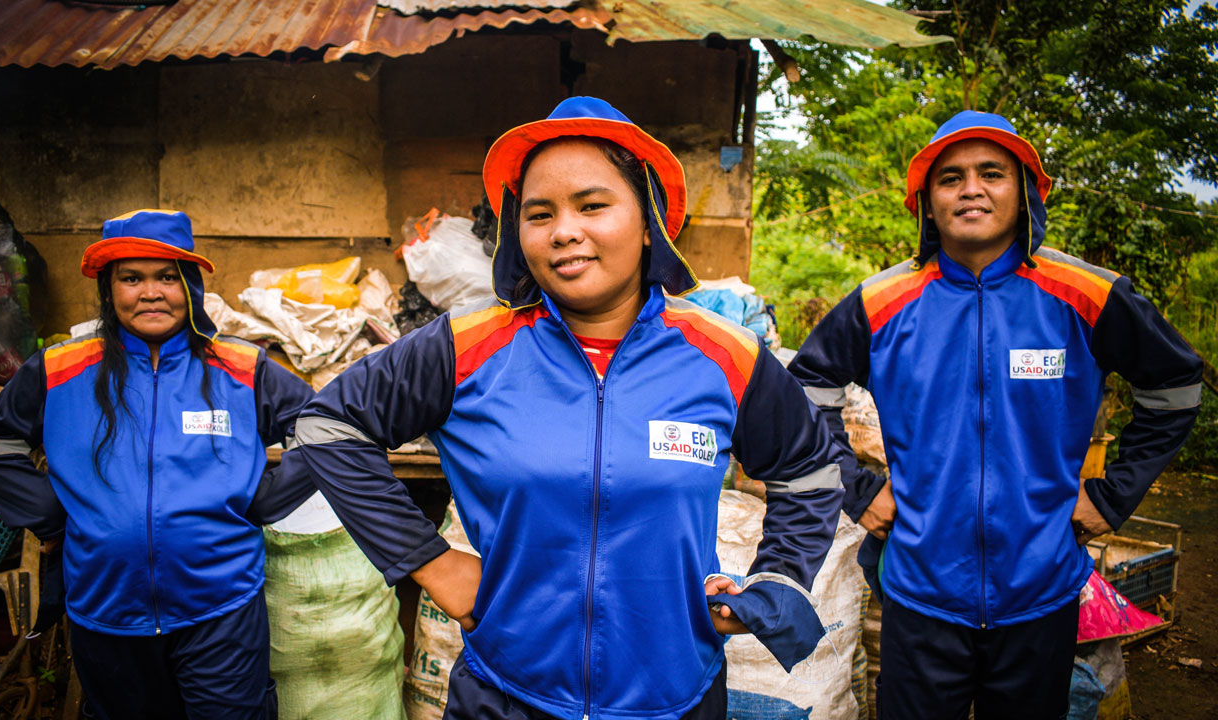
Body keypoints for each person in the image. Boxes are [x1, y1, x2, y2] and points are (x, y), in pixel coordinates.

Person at [282, 97, 847, 720]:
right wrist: (430, 562)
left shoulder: (723, 355)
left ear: (647, 217)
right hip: (508, 693)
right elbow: (327, 424)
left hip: (674, 697)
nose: (563, 231)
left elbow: (810, 470)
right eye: (539, 213)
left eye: (593, 205)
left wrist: (776, 580)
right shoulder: (466, 347)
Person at [788, 111, 1204, 719]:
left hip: (1041, 590)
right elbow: (804, 389)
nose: (972, 189)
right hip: (920, 592)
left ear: (1026, 192)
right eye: (951, 178)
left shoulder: (1086, 294)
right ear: (927, 201)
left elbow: (1174, 383)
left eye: (992, 173)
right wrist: (859, 489)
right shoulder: (883, 301)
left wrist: (1113, 496)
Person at [0, 209, 314, 720]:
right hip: (106, 616)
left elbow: (327, 430)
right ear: (110, 290)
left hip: (221, 612)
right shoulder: (61, 369)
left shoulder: (241, 366)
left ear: (189, 287)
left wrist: (266, 498)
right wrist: (50, 510)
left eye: (167, 277)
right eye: (132, 278)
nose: (151, 292)